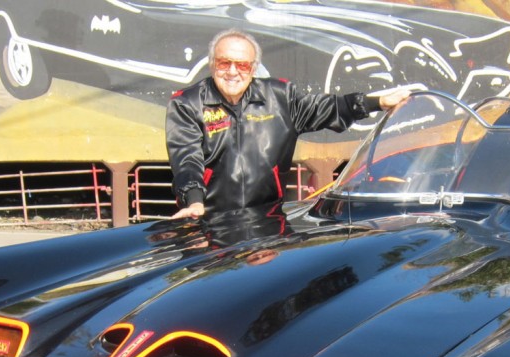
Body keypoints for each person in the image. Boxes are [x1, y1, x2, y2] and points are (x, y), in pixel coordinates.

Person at [166, 29, 409, 220]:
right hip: (209, 221)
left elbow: (329, 107)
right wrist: (194, 201)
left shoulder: (280, 98)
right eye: (224, 63)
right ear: (212, 63)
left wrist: (377, 102)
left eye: (242, 65)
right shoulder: (187, 103)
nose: (232, 72)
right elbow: (186, 158)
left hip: (267, 222)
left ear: (253, 68)